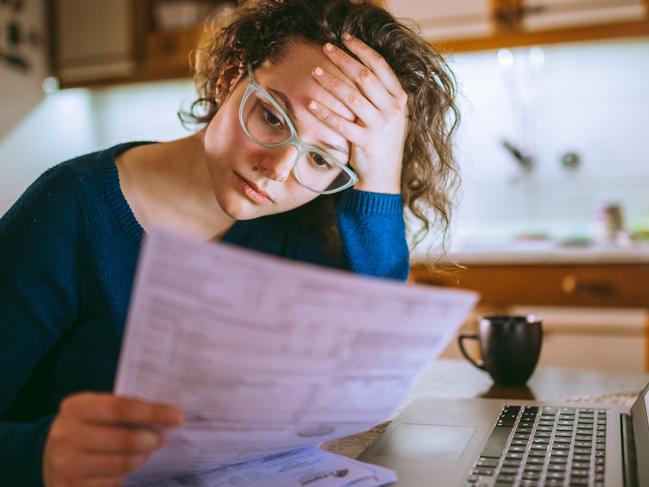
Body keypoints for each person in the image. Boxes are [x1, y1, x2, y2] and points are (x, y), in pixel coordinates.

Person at [0, 0, 459, 485]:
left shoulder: (307, 226)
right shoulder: (70, 209)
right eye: (273, 117)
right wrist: (40, 454)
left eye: (322, 160)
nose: (279, 170)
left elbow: (371, 369)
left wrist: (380, 178)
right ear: (229, 77)